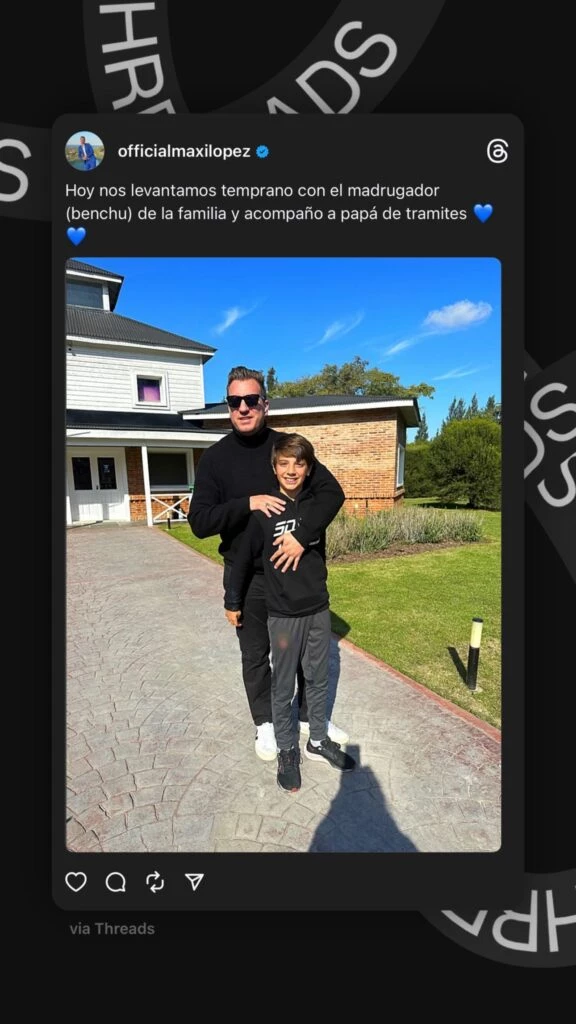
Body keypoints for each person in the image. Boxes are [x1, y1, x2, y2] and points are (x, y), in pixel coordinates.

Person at [188, 366, 350, 760]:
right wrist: (248, 503)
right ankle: (265, 723)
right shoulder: (215, 459)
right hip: (248, 577)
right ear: (228, 406)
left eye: (251, 400)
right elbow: (199, 522)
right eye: (234, 401)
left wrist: (302, 536)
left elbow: (331, 493)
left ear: (265, 403)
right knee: (256, 654)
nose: (243, 408)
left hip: (293, 571)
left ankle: (311, 720)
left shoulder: (287, 448)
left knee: (303, 655)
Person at [224, 433, 356, 792]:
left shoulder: (315, 506)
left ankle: (317, 740)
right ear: (274, 468)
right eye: (283, 464)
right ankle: (286, 750)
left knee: (318, 677)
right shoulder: (265, 512)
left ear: (309, 468)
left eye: (299, 463)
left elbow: (335, 494)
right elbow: (240, 562)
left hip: (318, 609)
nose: (291, 470)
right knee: (283, 686)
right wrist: (232, 601)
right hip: (282, 615)